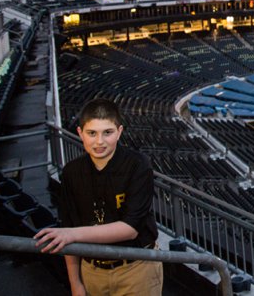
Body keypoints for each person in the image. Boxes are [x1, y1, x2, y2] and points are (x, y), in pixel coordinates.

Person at [35, 99, 163, 296]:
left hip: (136, 268)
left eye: (107, 132)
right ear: (80, 133)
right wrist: (75, 283)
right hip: (92, 270)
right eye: (92, 133)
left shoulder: (138, 165)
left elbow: (130, 229)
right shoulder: (71, 172)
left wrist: (72, 234)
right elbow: (68, 228)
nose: (99, 141)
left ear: (119, 132)